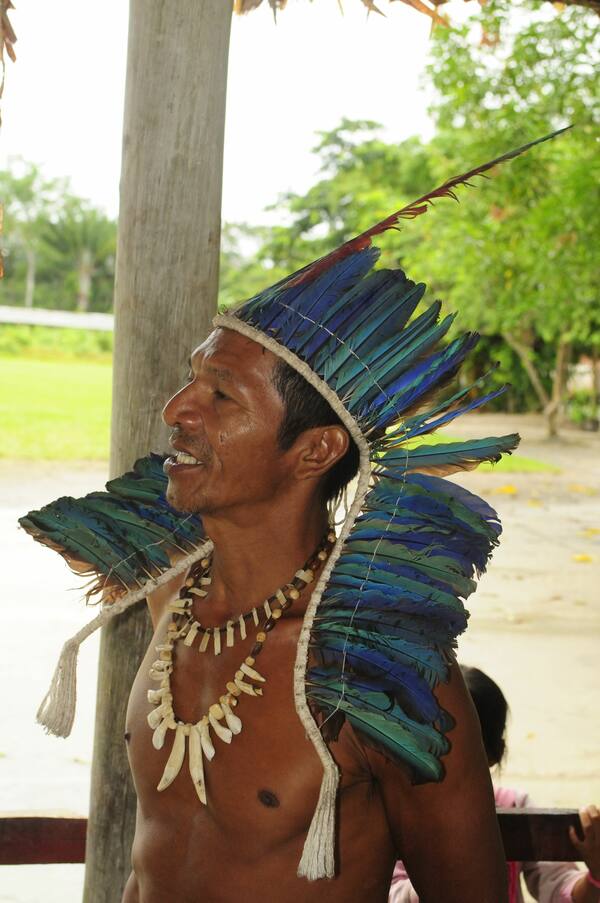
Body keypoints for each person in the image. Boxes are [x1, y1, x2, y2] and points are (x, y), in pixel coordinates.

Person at [20, 134, 564, 902]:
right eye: (190, 380)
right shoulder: (171, 595)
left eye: (221, 395)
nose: (176, 409)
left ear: (314, 450)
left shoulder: (379, 675)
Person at [389, 666, 600, 903]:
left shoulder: (515, 805)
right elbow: (392, 894)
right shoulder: (399, 816)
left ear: (492, 754)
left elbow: (559, 888)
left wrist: (596, 876)